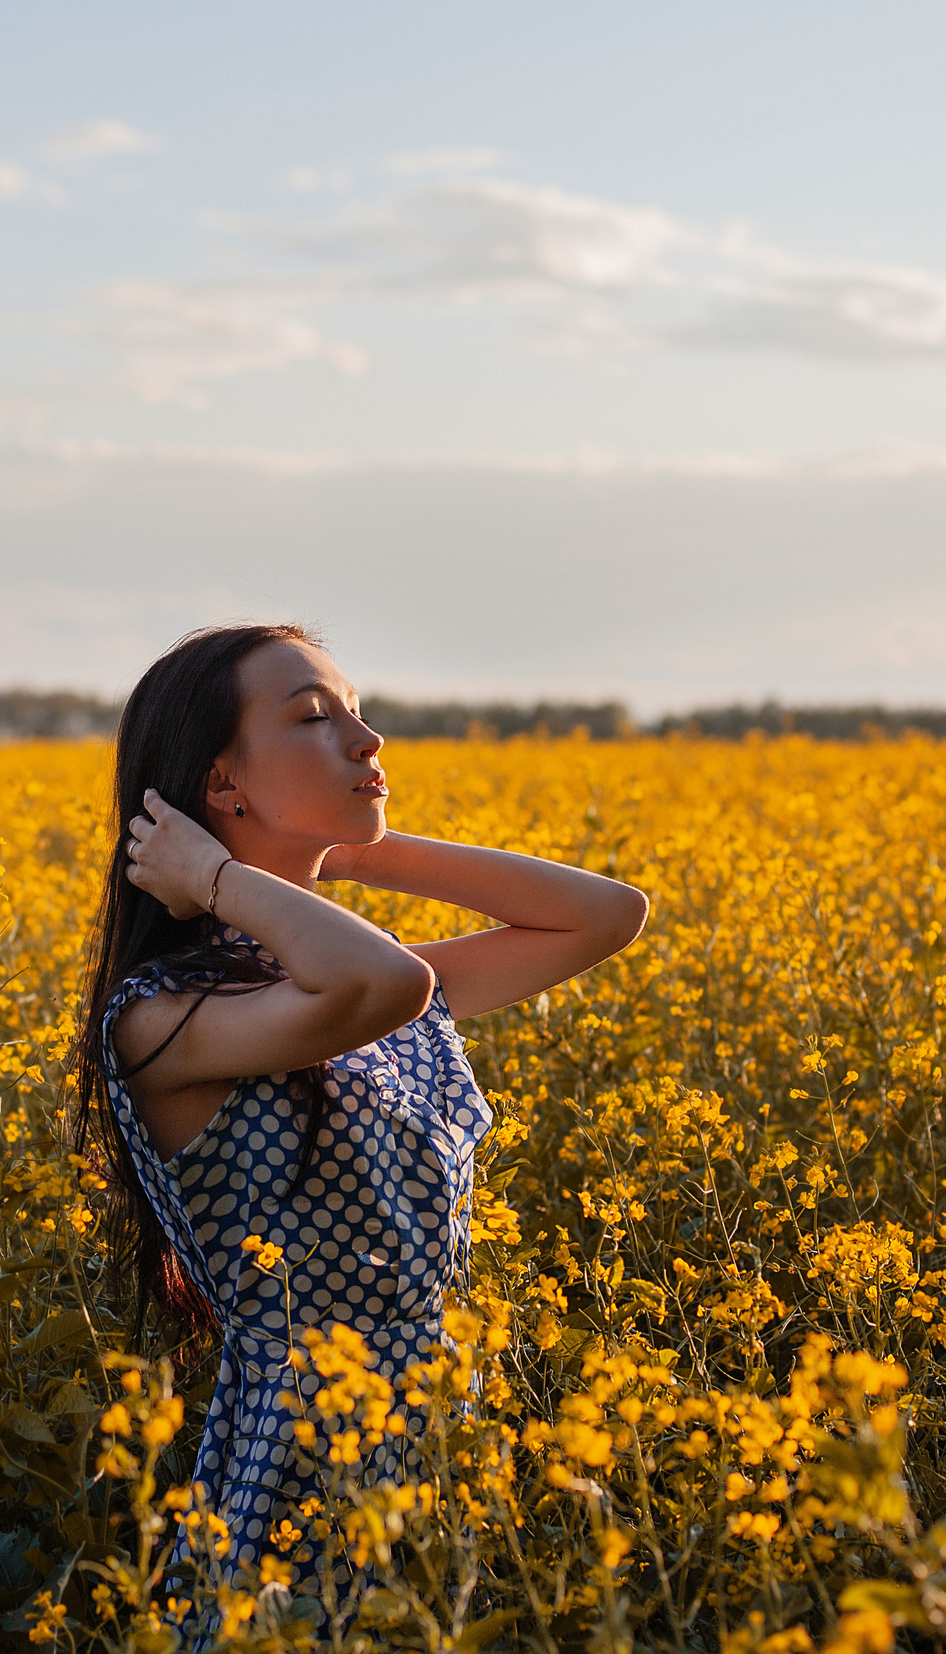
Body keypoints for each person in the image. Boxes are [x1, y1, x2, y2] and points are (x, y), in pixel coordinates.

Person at [70, 623, 648, 1588]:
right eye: (313, 717)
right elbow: (378, 983)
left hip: (440, 1437)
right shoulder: (166, 1016)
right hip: (304, 1461)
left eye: (356, 710)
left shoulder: (347, 984)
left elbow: (606, 913)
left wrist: (338, 848)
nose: (368, 738)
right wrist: (223, 874)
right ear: (223, 783)